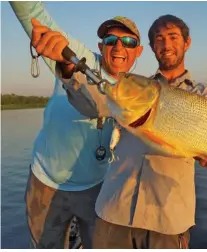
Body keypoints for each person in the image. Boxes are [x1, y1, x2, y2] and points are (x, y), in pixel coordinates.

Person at [29, 7, 207, 249]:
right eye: (159, 39)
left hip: (167, 220)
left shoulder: (204, 94)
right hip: (113, 212)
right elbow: (94, 104)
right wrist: (67, 68)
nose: (166, 44)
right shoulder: (135, 87)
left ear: (187, 42)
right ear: (151, 48)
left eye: (173, 37)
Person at [9, 1, 142, 248]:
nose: (119, 47)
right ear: (101, 46)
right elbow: (32, 13)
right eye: (111, 40)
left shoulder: (138, 90)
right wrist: (63, 57)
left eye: (129, 42)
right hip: (46, 181)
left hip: (97, 188)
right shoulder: (80, 58)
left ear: (139, 51)